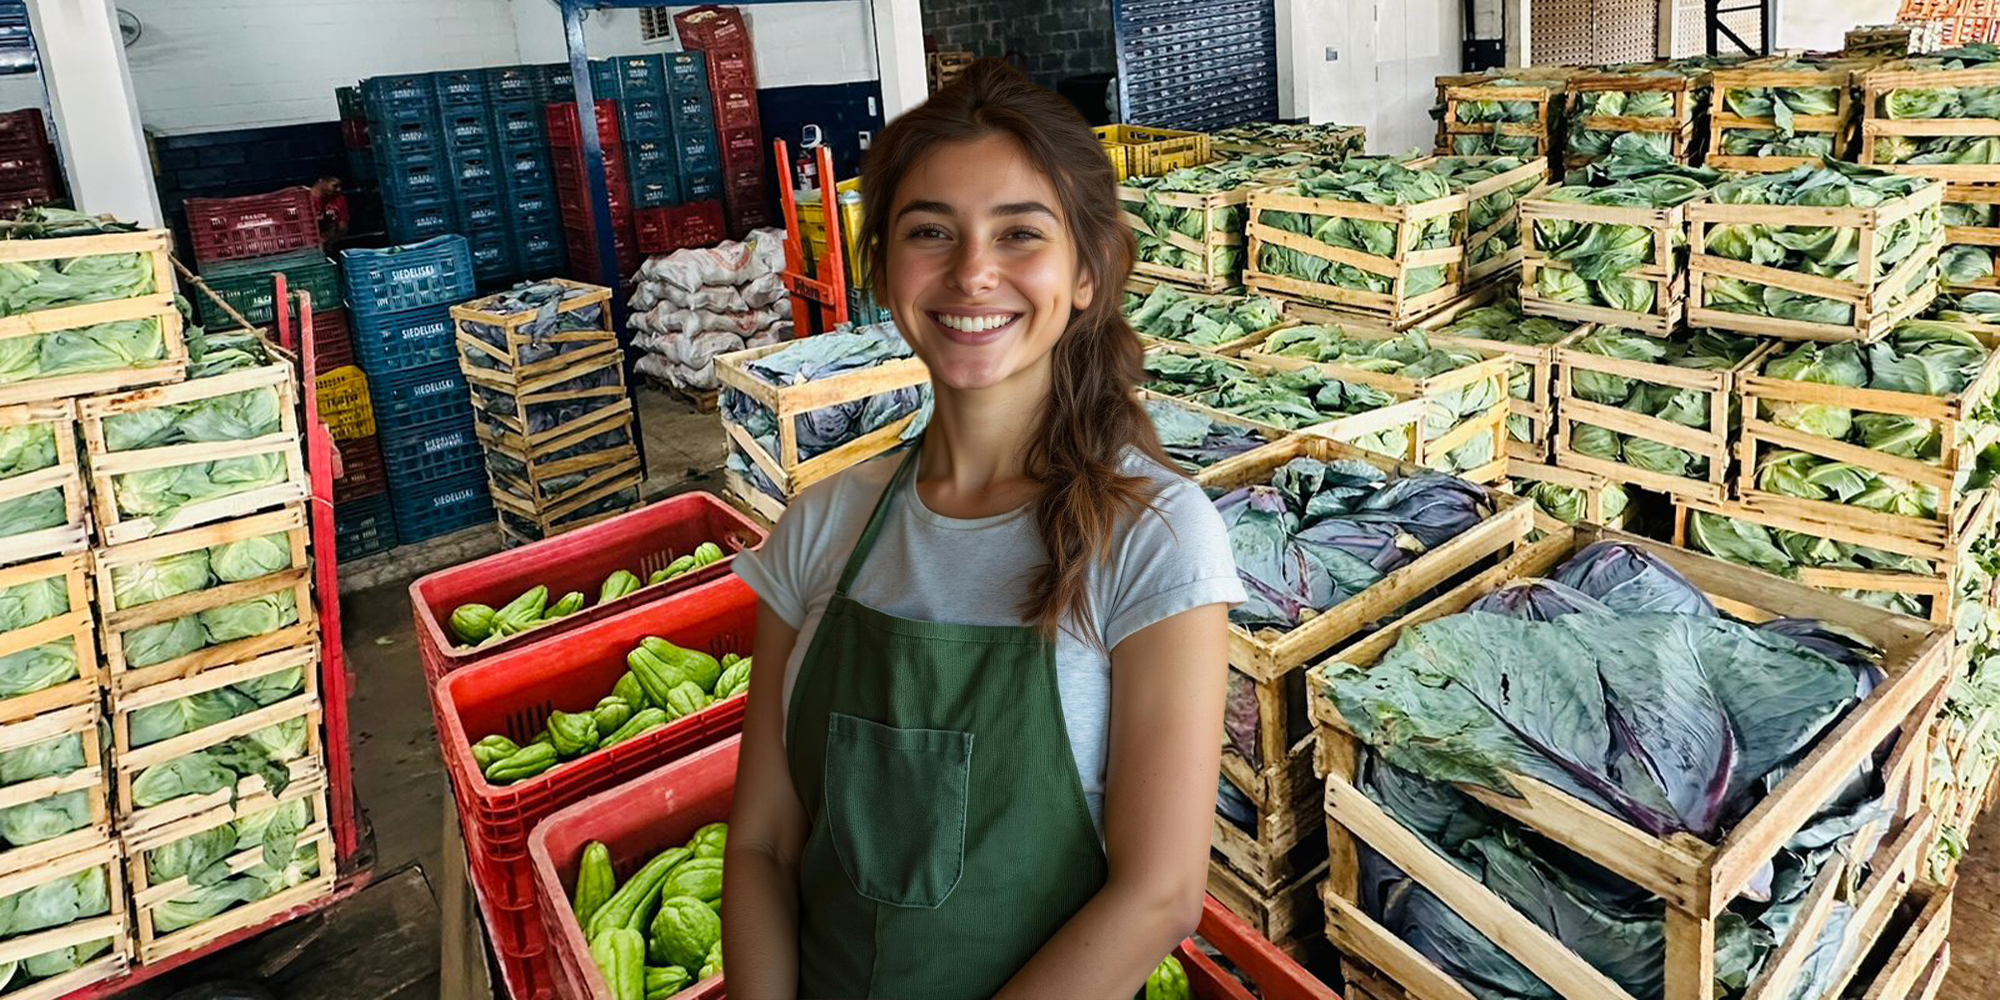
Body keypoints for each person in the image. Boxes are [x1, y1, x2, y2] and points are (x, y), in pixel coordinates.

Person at [722, 59, 1244, 999]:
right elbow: (761, 844)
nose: (972, 272)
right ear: (882, 268)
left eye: (1019, 234)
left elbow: (1160, 895)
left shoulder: (1155, 536)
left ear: (1087, 274)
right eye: (931, 231)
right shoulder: (820, 526)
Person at [312, 176, 349, 241]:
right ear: (322, 182)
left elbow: (343, 227)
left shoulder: (339, 199)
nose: (339, 189)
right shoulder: (305, 200)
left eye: (339, 186)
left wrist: (329, 240)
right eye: (335, 186)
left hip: (331, 239)